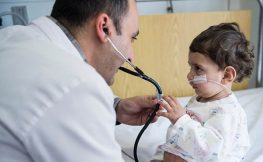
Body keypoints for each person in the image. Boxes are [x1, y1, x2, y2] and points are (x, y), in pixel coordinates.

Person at [0, 0, 159, 161]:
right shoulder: (76, 86)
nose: (131, 56)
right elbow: (66, 96)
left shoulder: (11, 35)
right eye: (132, 38)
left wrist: (115, 108)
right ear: (104, 27)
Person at [151, 22, 254, 162]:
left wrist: (180, 120)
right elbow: (180, 138)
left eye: (198, 68)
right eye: (190, 67)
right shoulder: (199, 99)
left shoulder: (228, 113)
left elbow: (210, 151)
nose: (189, 76)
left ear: (226, 75)